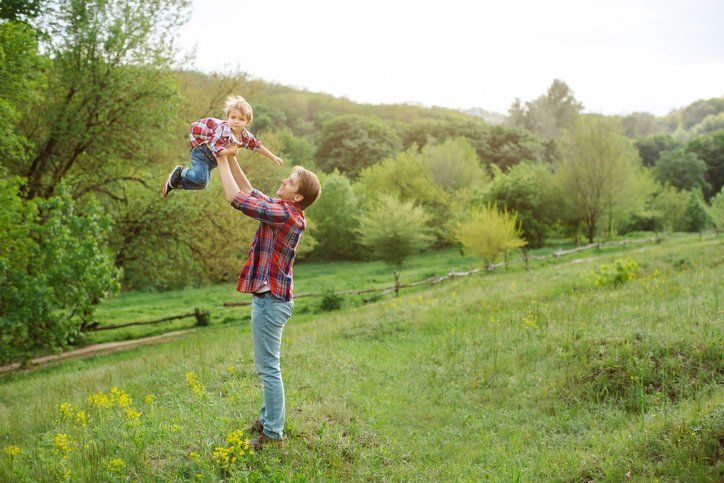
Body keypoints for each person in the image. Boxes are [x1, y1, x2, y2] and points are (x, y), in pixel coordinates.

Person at [215, 152, 321, 450]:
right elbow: (250, 192)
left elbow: (236, 198)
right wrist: (233, 157)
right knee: (267, 367)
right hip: (271, 297)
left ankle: (273, 434)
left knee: (268, 369)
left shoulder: (284, 214)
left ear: (297, 195)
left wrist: (220, 160)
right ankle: (266, 421)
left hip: (271, 300)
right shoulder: (284, 209)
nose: (284, 180)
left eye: (291, 180)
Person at [161, 95, 283, 196]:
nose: (236, 121)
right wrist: (228, 152)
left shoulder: (245, 135)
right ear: (228, 117)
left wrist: (272, 157)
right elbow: (215, 148)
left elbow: (255, 145)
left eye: (241, 119)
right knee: (201, 179)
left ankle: (175, 182)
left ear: (247, 122)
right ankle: (181, 171)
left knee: (202, 184)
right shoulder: (222, 129)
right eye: (233, 117)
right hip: (202, 153)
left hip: (211, 160)